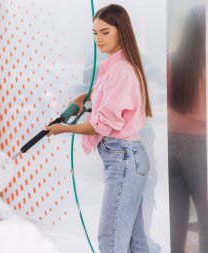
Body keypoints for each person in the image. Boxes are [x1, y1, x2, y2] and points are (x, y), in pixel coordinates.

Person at [45, 4, 152, 252]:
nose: (98, 39)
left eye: (105, 32)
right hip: (126, 158)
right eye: (95, 33)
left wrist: (65, 129)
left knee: (111, 241)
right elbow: (103, 96)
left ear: (120, 31)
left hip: (124, 158)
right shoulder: (115, 66)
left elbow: (102, 124)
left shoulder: (121, 71)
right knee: (135, 243)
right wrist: (84, 98)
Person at [168, 5, 207, 253]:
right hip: (199, 146)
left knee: (177, 219)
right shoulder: (204, 63)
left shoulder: (172, 59)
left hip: (171, 143)